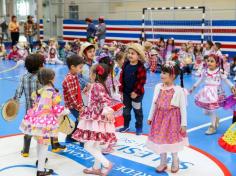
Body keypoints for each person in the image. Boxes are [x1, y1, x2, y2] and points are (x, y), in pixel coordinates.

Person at [72, 64, 121, 176]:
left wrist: (107, 110)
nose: (89, 75)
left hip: (95, 118)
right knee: (96, 145)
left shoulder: (96, 86)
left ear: (94, 74)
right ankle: (96, 167)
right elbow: (100, 98)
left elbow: (104, 101)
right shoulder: (99, 85)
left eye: (90, 73)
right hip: (99, 118)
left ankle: (107, 164)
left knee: (88, 146)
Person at [20, 68, 67, 176]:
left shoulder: (40, 91)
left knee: (39, 142)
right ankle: (41, 170)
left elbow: (36, 103)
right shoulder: (52, 92)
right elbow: (55, 108)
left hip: (37, 121)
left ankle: (40, 162)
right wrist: (66, 111)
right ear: (51, 79)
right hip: (46, 123)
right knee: (44, 145)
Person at [146, 61, 188, 173]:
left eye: (164, 73)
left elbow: (183, 108)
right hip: (159, 118)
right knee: (161, 140)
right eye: (162, 72)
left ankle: (175, 161)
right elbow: (154, 103)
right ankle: (163, 162)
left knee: (173, 141)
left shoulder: (178, 90)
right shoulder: (158, 87)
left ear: (173, 76)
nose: (161, 75)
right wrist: (150, 117)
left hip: (172, 120)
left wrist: (183, 124)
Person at [189, 54, 235, 135]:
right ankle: (215, 119)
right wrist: (193, 87)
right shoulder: (205, 71)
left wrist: (232, 86)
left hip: (215, 93)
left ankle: (213, 126)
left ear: (217, 63)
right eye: (208, 61)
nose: (209, 63)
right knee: (205, 112)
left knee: (212, 110)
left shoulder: (219, 71)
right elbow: (200, 80)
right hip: (206, 92)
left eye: (212, 61)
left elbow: (226, 80)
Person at [119, 43, 147, 135]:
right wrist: (121, 89)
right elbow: (122, 77)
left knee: (137, 111)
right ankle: (126, 125)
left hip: (137, 95)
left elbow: (141, 81)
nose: (130, 55)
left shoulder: (140, 67)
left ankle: (139, 127)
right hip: (126, 93)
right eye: (129, 53)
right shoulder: (126, 64)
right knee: (126, 111)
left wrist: (136, 92)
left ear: (138, 56)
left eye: (133, 53)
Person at [62, 55, 84, 142]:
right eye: (80, 67)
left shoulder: (74, 76)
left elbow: (76, 91)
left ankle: (72, 136)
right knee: (81, 119)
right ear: (72, 67)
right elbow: (71, 96)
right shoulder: (69, 79)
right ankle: (71, 136)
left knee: (80, 119)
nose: (81, 69)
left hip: (77, 104)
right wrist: (79, 107)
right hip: (73, 105)